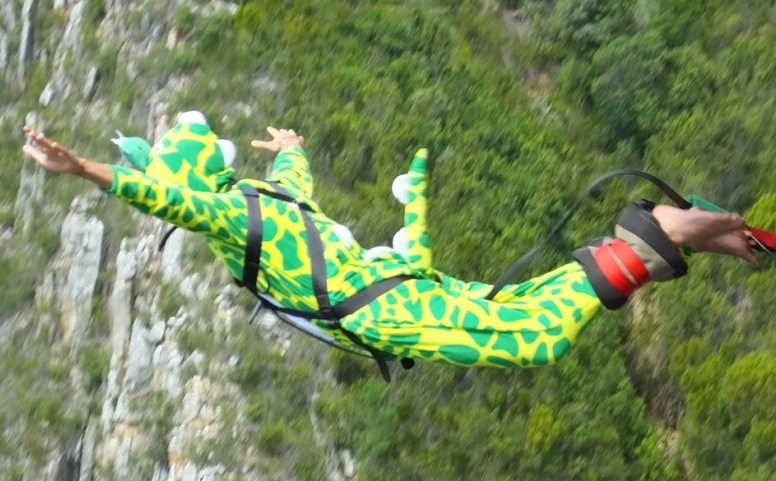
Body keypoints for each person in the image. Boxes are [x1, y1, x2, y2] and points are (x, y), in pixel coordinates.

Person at [21, 115, 759, 370]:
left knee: (534, 336)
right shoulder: (270, 199)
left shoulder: (227, 218)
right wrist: (289, 145)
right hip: (400, 289)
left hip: (382, 311)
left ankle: (663, 229)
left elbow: (163, 196)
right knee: (526, 302)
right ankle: (681, 235)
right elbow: (295, 176)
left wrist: (83, 166)